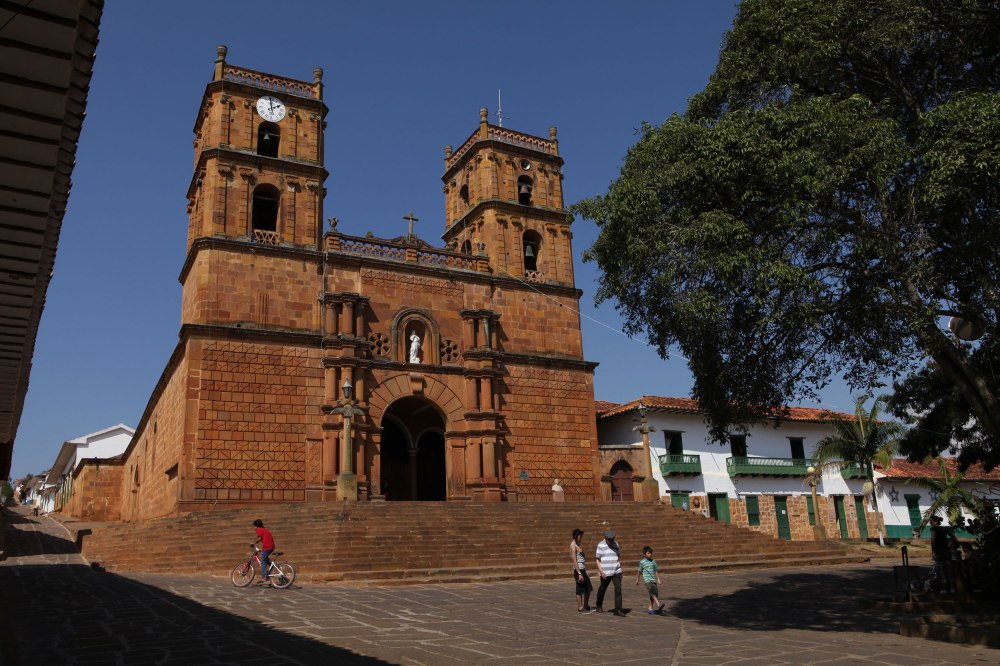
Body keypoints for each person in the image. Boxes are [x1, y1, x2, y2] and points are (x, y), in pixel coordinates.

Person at [595, 530, 625, 616]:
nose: (611, 541)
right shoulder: (600, 545)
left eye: (612, 539)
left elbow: (618, 556)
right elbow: (597, 559)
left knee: (618, 590)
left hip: (616, 571)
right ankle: (599, 605)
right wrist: (601, 571)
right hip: (605, 572)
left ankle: (618, 609)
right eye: (609, 539)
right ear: (605, 538)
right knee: (602, 589)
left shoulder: (616, 544)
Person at [927, 515, 954, 593]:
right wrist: (949, 546)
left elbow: (933, 540)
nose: (930, 523)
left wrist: (933, 551)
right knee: (949, 570)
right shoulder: (944, 529)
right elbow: (953, 537)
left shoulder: (933, 529)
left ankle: (944, 588)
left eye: (931, 521)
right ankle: (952, 588)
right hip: (946, 551)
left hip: (939, 551)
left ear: (935, 521)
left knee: (941, 570)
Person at [570, 528, 595, 613]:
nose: (581, 538)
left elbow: (583, 557)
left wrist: (582, 552)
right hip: (579, 569)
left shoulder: (578, 545)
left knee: (588, 588)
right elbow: (574, 560)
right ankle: (580, 607)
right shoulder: (573, 546)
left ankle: (585, 605)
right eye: (580, 536)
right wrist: (579, 573)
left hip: (582, 568)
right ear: (575, 536)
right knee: (580, 588)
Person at [636, 546, 666, 615]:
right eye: (648, 553)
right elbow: (639, 571)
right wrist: (637, 579)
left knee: (654, 594)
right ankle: (658, 604)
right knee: (652, 592)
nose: (650, 554)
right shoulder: (642, 562)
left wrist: (658, 579)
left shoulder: (653, 561)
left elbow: (656, 570)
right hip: (647, 580)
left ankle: (650, 608)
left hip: (653, 580)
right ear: (644, 554)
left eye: (650, 553)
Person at [252, 519, 275, 584]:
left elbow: (259, 539)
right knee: (266, 558)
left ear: (256, 526)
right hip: (271, 546)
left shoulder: (259, 529)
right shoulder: (265, 530)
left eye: (254, 526)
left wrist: (253, 543)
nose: (254, 528)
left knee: (263, 560)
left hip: (267, 547)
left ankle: (264, 576)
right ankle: (273, 569)